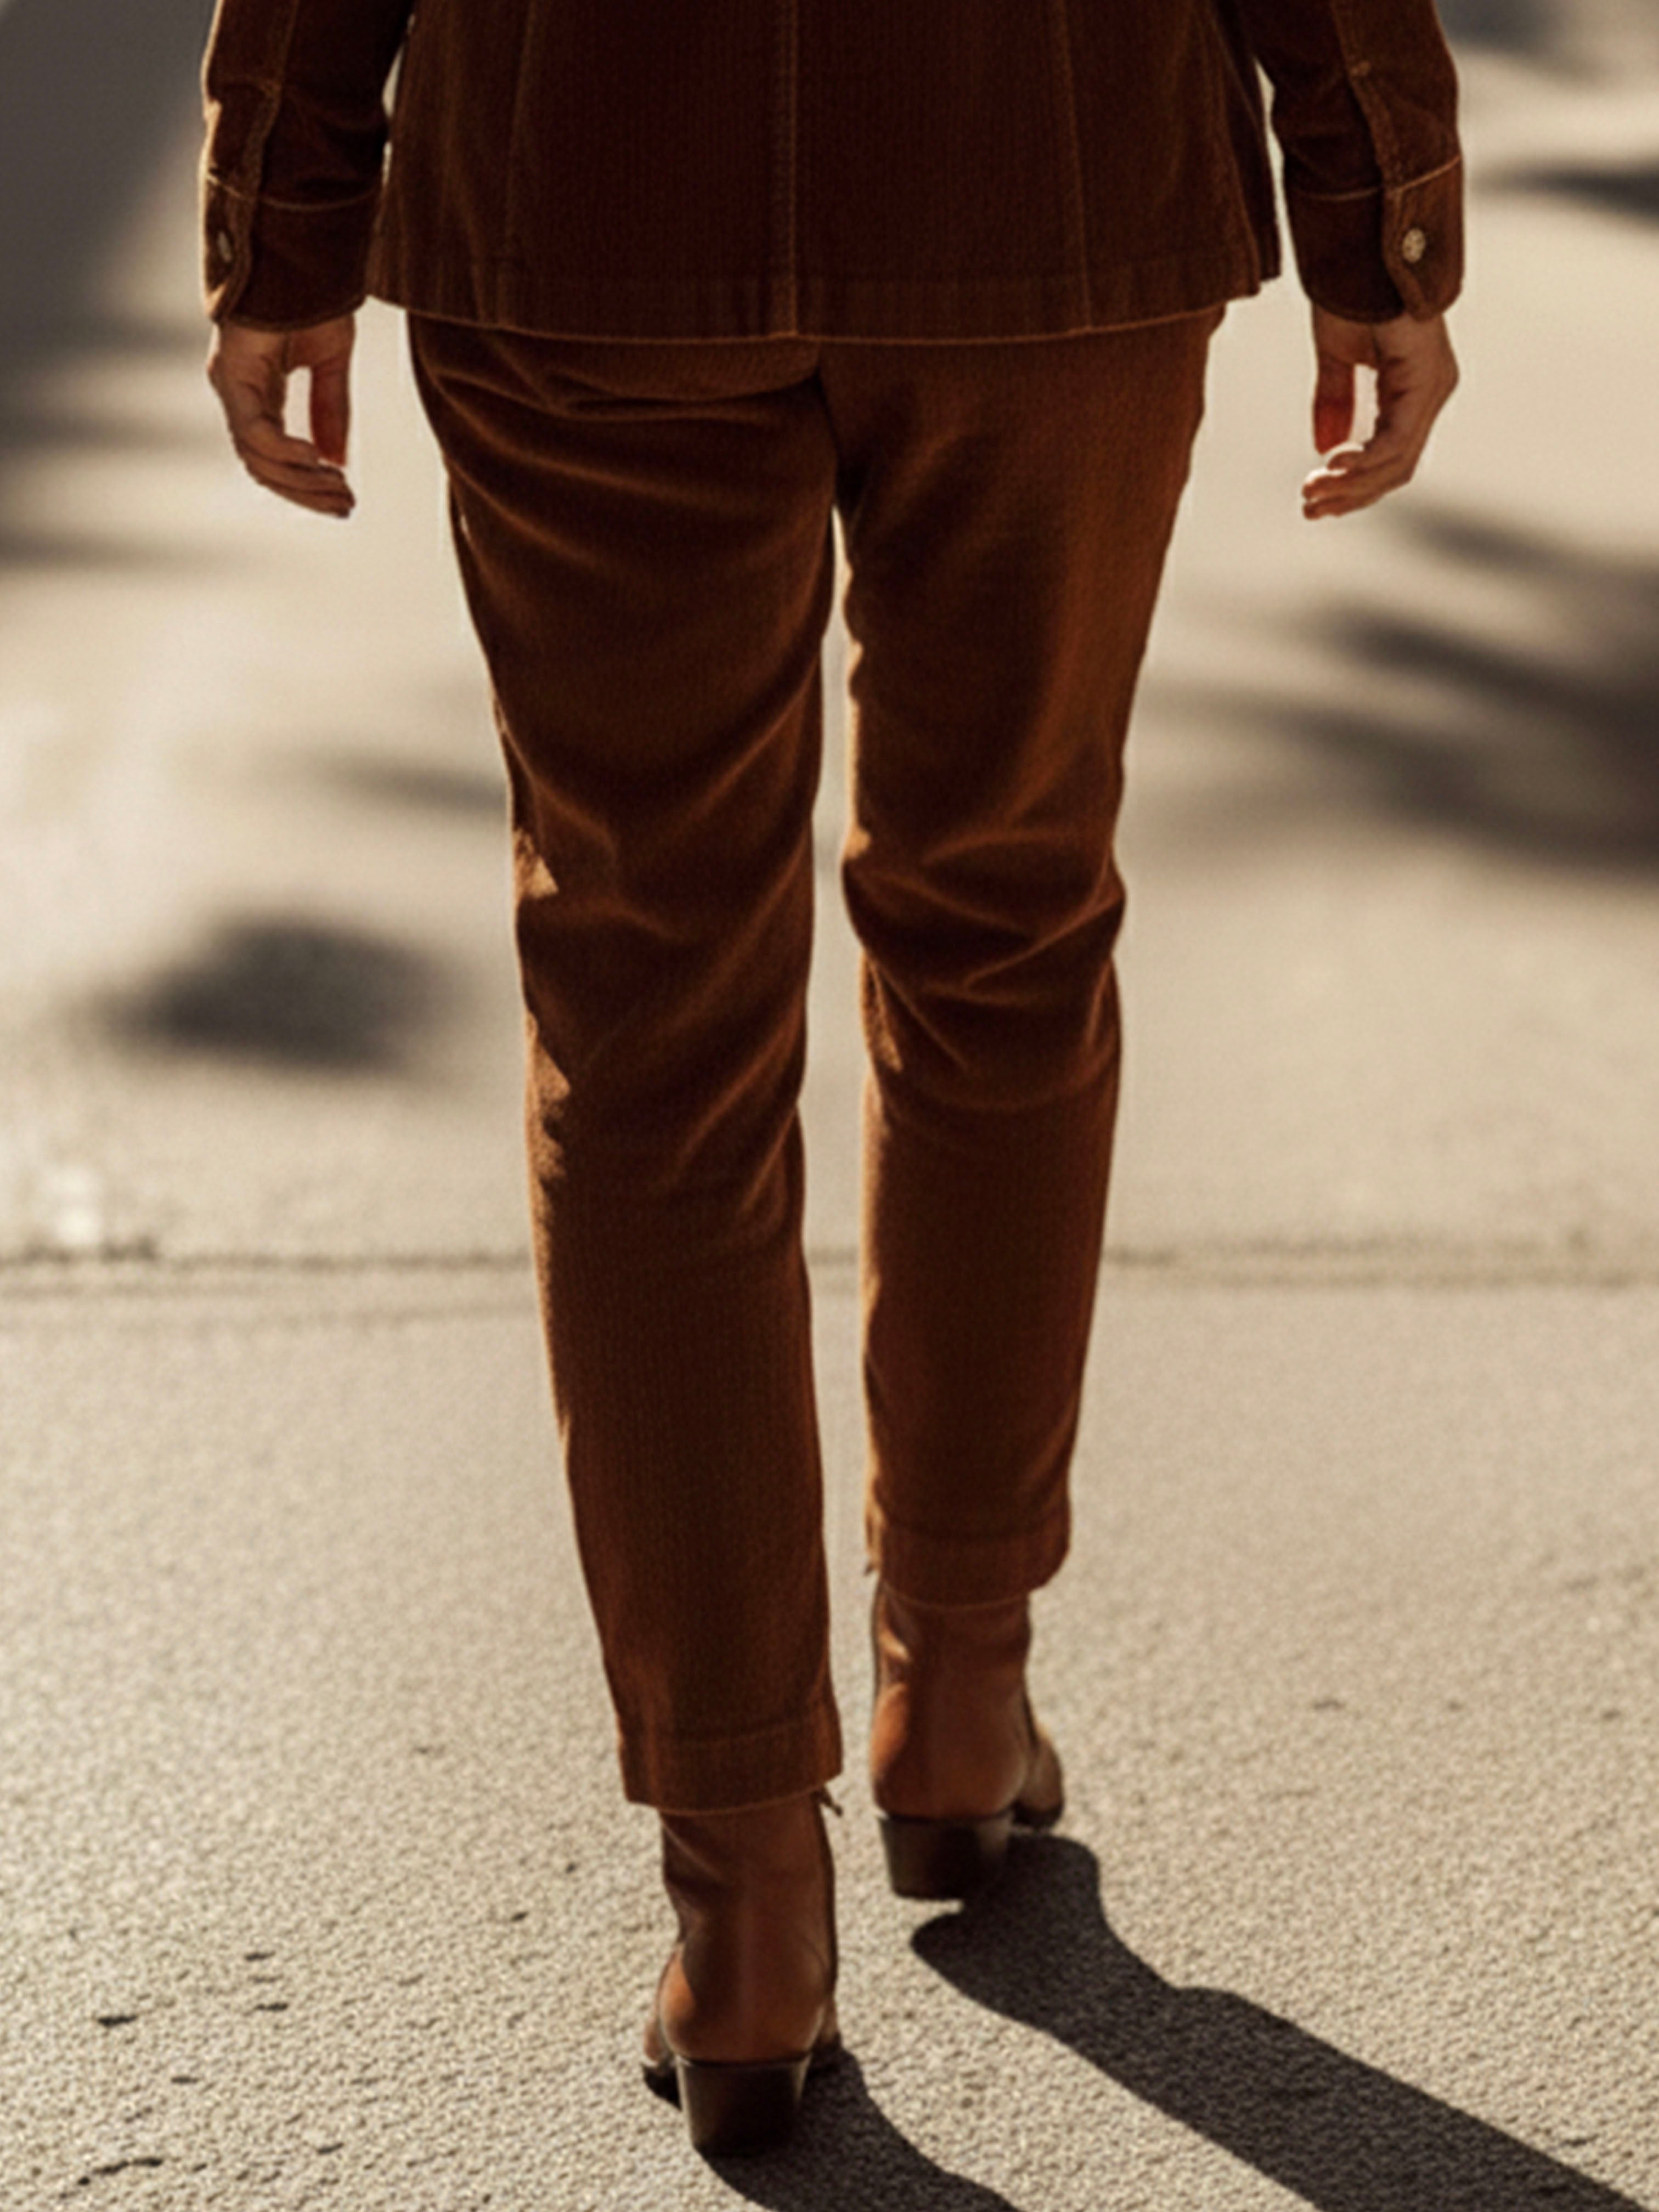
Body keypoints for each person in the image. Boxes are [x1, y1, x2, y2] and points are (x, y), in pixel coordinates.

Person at [200, 0, 1462, 2157]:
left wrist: (280, 210)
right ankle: (956, 1703)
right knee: (1007, 924)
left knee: (644, 1015)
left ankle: (746, 1905)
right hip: (1042, 177)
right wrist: (1384, 216)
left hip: (586, 190)